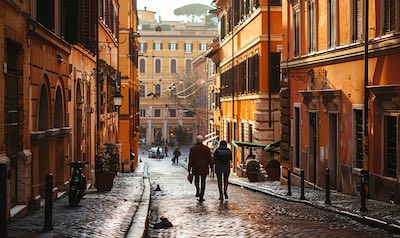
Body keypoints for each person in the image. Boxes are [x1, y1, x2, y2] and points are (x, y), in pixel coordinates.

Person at [188, 135, 212, 202]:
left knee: (196, 180)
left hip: (196, 167)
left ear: (196, 140)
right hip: (204, 167)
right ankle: (201, 196)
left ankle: (198, 189)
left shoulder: (193, 149)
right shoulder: (206, 149)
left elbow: (191, 159)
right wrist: (211, 166)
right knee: (203, 182)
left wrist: (189, 168)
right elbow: (209, 158)